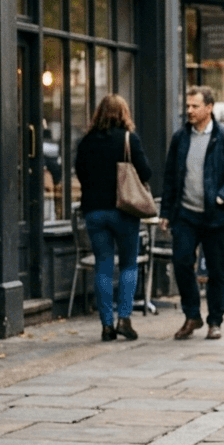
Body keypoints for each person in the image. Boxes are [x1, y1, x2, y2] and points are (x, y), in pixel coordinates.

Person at [161, 85, 224, 341]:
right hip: (185, 214)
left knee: (216, 270)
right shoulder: (180, 138)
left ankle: (214, 321)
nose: (189, 110)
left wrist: (223, 195)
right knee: (181, 262)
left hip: (216, 215)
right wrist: (166, 211)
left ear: (209, 108)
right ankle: (192, 315)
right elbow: (170, 177)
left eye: (195, 106)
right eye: (187, 106)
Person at [75, 94, 152, 342]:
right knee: (129, 264)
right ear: (124, 114)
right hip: (124, 211)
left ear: (98, 114)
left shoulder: (87, 141)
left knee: (103, 265)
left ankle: (107, 325)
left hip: (95, 212)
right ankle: (124, 319)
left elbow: (80, 173)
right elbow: (146, 172)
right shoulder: (129, 139)